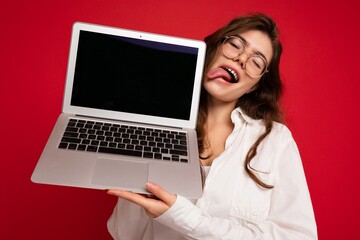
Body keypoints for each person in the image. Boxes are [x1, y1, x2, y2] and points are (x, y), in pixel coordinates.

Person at [107, 13, 318, 239]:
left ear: (253, 87)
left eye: (256, 62)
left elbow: (300, 237)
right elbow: (125, 234)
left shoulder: (275, 140)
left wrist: (187, 219)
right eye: (235, 45)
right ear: (213, 49)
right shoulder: (161, 128)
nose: (240, 60)